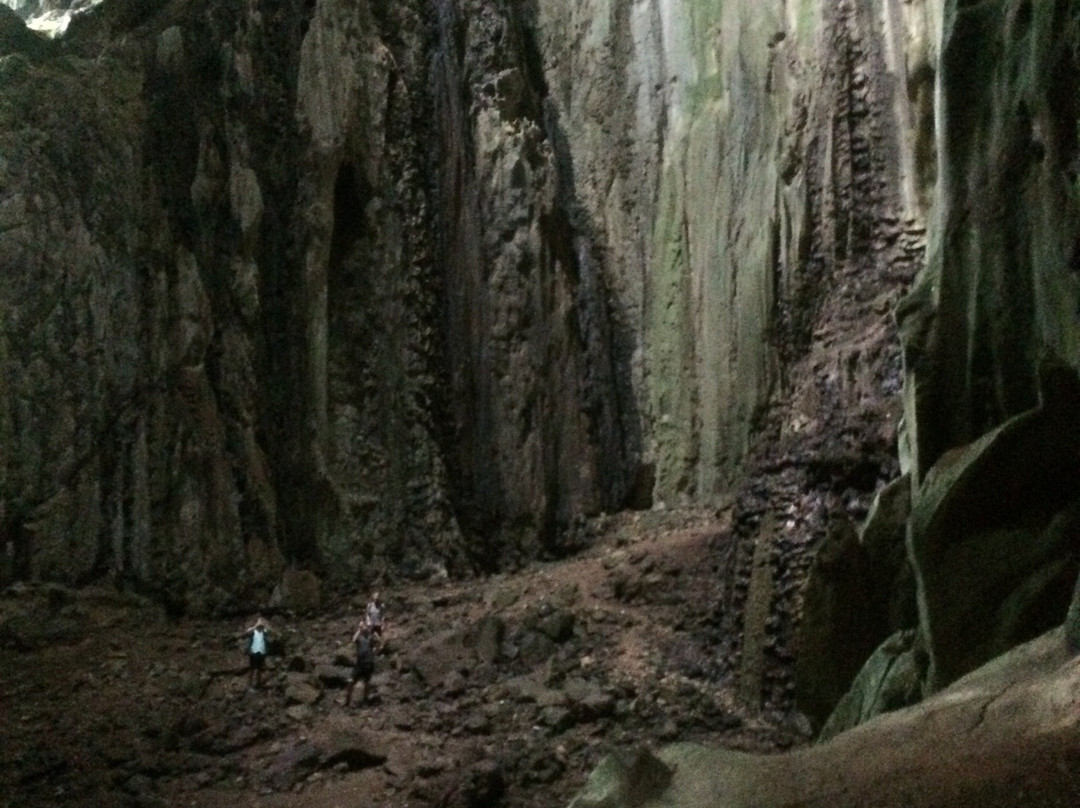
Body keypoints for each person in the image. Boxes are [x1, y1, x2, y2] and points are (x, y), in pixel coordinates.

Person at [345, 622, 376, 706]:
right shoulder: (359, 638)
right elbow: (353, 640)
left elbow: (377, 644)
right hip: (359, 663)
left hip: (368, 662)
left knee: (367, 682)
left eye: (364, 626)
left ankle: (366, 699)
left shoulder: (370, 637)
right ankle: (347, 700)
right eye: (361, 626)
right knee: (351, 681)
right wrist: (359, 629)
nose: (363, 627)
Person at [241, 615, 271, 689]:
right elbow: (246, 633)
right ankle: (250, 683)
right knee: (252, 668)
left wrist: (264, 624)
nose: (260, 627)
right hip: (253, 652)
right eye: (259, 626)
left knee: (259, 669)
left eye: (261, 626)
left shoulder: (264, 632)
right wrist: (255, 626)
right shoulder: (252, 631)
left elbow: (269, 631)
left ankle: (258, 683)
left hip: (261, 653)